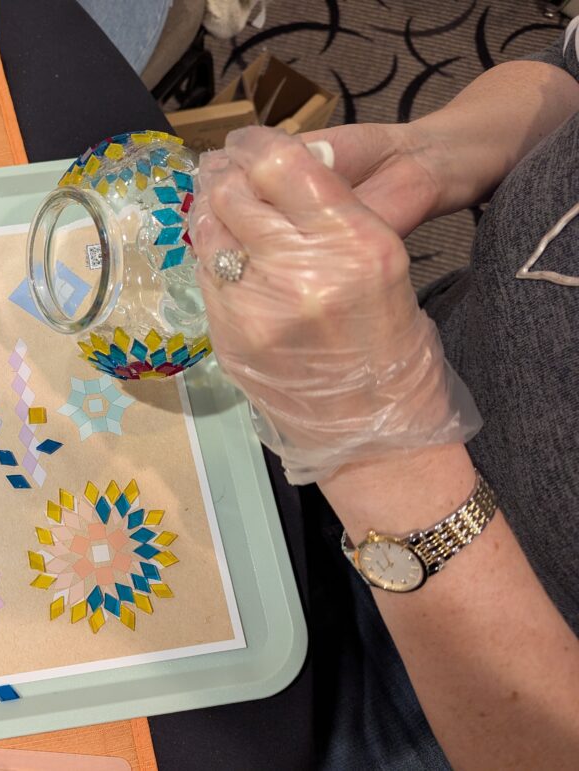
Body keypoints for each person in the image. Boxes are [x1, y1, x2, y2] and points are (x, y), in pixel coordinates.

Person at [188, 28, 579, 769]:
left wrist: (377, 446)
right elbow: (569, 76)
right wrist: (425, 156)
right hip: (403, 381)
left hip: (463, 701)